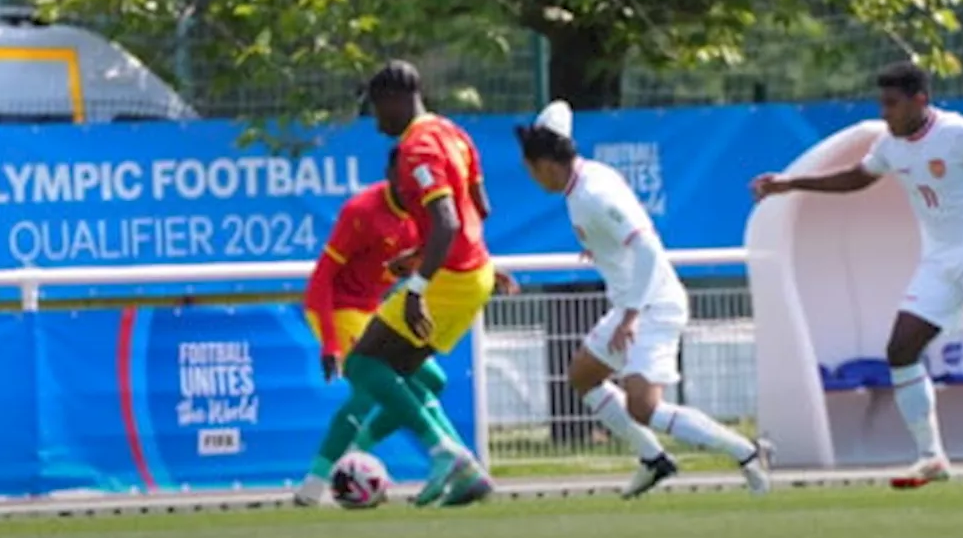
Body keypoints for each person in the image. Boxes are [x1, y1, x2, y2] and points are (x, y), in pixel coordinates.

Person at [752, 61, 963, 488]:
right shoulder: (891, 144)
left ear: (920, 100)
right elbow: (858, 178)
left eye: (892, 104)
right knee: (900, 349)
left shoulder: (961, 133)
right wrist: (792, 184)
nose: (885, 112)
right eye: (882, 103)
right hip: (938, 259)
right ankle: (931, 457)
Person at [515, 100, 774, 499]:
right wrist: (601, 250)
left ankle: (747, 451)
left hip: (653, 305)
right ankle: (654, 460)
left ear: (546, 164)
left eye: (530, 169)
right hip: (632, 304)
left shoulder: (593, 193)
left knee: (644, 407)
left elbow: (649, 249)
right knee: (583, 376)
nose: (531, 178)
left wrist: (630, 317)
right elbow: (621, 237)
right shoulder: (584, 182)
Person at [334, 59, 506, 507]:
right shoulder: (454, 133)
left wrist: (417, 286)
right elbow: (480, 208)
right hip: (473, 271)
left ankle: (447, 455)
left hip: (450, 277)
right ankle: (466, 473)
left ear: (395, 99)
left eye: (376, 108)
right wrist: (421, 252)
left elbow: (447, 221)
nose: (376, 121)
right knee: (399, 370)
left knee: (362, 365)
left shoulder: (418, 150)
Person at [293, 148, 474, 506]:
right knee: (368, 386)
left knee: (432, 381)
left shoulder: (421, 215)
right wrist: (329, 343)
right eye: (405, 175)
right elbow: (322, 279)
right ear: (391, 173)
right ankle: (312, 487)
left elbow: (436, 253)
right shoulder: (361, 212)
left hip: (375, 310)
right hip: (339, 308)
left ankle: (359, 451)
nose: (413, 185)